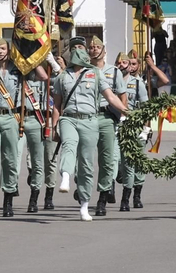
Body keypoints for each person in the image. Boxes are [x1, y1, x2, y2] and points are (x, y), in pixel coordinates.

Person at [51, 35, 125, 221]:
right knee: (69, 144)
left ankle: (84, 204)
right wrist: (53, 127)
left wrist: (128, 112)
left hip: (90, 120)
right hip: (68, 118)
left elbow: (111, 97)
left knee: (86, 163)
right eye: (74, 49)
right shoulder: (62, 76)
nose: (78, 51)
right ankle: (66, 176)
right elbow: (56, 105)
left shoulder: (96, 73)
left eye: (81, 48)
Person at [0, 38, 49, 218]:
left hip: (12, 117)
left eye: (2, 49)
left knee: (10, 159)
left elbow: (43, 77)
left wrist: (28, 59)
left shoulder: (19, 70)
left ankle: (8, 199)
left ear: (9, 50)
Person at [115, 50, 168, 212]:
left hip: (138, 126)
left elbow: (164, 81)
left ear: (139, 65)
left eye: (133, 63)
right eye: (127, 63)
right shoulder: (116, 80)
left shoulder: (144, 82)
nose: (130, 66)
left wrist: (152, 66)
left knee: (137, 162)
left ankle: (135, 195)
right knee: (120, 161)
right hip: (120, 125)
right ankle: (122, 182)